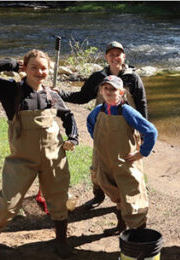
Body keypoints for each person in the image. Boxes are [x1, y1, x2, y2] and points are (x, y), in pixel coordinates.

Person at [0, 49, 80, 260]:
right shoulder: (10, 91)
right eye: (34, 67)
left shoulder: (52, 94)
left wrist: (73, 138)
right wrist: (10, 63)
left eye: (44, 68)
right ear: (25, 68)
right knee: (7, 204)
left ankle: (61, 242)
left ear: (50, 70)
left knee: (58, 200)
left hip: (54, 156)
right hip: (21, 160)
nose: (40, 72)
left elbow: (68, 116)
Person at [59, 41, 150, 209]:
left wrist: (143, 136)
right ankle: (98, 195)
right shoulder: (98, 77)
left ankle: (131, 199)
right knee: (97, 167)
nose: (115, 57)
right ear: (106, 57)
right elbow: (82, 97)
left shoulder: (133, 78)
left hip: (128, 132)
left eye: (118, 54)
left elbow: (142, 105)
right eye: (111, 54)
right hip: (104, 130)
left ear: (124, 56)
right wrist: (60, 94)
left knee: (129, 168)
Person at [86, 75, 157, 234]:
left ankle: (139, 234)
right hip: (107, 161)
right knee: (116, 194)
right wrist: (98, 142)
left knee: (132, 197)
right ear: (101, 91)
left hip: (126, 163)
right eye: (106, 88)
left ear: (121, 92)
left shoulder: (127, 111)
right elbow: (91, 125)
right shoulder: (98, 110)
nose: (110, 92)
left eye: (114, 89)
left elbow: (151, 131)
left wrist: (142, 152)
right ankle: (121, 226)